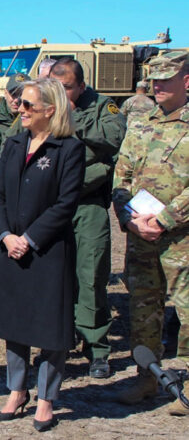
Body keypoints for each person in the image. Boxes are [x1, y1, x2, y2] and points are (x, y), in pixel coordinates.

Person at [0, 78, 85, 433]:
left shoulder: (68, 149)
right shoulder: (13, 143)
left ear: (49, 111)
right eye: (19, 103)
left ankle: (46, 399)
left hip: (48, 250)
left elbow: (65, 203)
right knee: (14, 322)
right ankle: (17, 390)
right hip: (10, 249)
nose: (19, 109)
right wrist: (6, 236)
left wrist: (31, 238)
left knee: (51, 328)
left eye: (27, 105)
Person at [112, 51, 189, 415]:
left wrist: (165, 220)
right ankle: (147, 376)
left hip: (181, 239)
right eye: (154, 79)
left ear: (186, 81)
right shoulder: (140, 122)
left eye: (165, 79)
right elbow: (121, 176)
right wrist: (129, 218)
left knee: (188, 312)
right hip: (140, 237)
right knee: (143, 309)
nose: (156, 85)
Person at [49, 58, 126, 378]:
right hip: (51, 206)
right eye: (56, 87)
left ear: (81, 85)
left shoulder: (101, 107)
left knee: (91, 275)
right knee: (53, 277)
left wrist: (71, 119)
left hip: (88, 204)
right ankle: (55, 343)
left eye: (67, 88)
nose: (61, 93)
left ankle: (96, 346)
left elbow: (114, 139)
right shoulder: (41, 103)